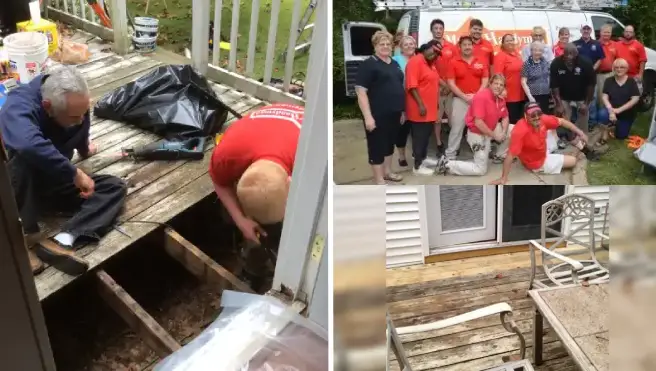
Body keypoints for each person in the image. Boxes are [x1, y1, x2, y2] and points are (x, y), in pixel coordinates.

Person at [0, 66, 127, 276]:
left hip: (55, 182)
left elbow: (81, 122)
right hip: (20, 190)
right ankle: (24, 237)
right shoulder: (18, 105)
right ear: (47, 106)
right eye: (73, 117)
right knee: (23, 159)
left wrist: (84, 148)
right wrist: (74, 174)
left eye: (83, 113)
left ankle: (63, 238)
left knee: (113, 187)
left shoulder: (73, 104)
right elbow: (27, 143)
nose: (80, 120)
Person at [209, 103, 303, 288]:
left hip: (291, 135)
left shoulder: (311, 156)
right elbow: (220, 182)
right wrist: (241, 220)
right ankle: (254, 268)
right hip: (258, 138)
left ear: (293, 184)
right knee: (250, 229)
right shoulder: (227, 155)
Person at [491, 102, 588, 185]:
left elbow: (562, 121)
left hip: (541, 145)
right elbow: (510, 156)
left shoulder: (542, 119)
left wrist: (581, 133)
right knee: (573, 161)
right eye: (532, 115)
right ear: (525, 116)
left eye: (539, 114)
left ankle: (581, 148)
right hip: (537, 162)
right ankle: (571, 153)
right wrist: (503, 178)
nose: (537, 117)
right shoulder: (520, 131)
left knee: (561, 128)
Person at [354, 30, 405, 184]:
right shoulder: (368, 65)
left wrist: (402, 111)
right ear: (375, 46)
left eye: (388, 44)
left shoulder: (394, 63)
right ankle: (379, 179)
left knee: (389, 144)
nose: (385, 46)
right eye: (381, 44)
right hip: (377, 114)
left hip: (395, 113)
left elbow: (399, 87)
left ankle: (388, 172)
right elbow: (361, 91)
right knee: (377, 146)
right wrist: (368, 117)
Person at [436, 74, 510, 176]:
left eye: (501, 85)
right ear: (490, 84)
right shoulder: (482, 97)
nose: (498, 86)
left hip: (488, 133)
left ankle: (499, 155)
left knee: (512, 129)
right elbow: (478, 123)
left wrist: (503, 132)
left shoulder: (500, 98)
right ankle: (447, 164)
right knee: (480, 170)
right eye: (496, 83)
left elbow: (505, 116)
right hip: (477, 134)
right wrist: (495, 136)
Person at [445, 36, 490, 160]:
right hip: (460, 100)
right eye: (464, 44)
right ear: (459, 47)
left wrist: (477, 96)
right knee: (457, 128)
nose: (467, 47)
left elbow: (485, 80)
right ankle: (450, 155)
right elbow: (451, 83)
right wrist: (465, 97)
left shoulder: (481, 60)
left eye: (469, 44)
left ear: (473, 46)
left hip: (478, 101)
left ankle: (482, 152)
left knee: (481, 127)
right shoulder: (453, 62)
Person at [405, 41, 441, 175]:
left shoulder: (430, 64)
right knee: (419, 136)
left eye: (436, 53)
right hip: (420, 108)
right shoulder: (415, 62)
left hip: (429, 108)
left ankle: (423, 158)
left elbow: (433, 81)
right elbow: (412, 86)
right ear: (424, 49)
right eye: (432, 52)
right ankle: (417, 166)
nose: (434, 55)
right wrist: (420, 104)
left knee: (426, 136)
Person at [550, 43, 596, 142]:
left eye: (572, 55)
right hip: (564, 96)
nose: (569, 57)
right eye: (567, 55)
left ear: (577, 54)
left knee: (583, 116)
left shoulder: (586, 63)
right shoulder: (556, 63)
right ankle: (566, 138)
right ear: (563, 53)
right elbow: (554, 85)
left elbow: (591, 85)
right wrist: (558, 104)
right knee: (562, 116)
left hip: (582, 96)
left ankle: (583, 138)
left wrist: (586, 104)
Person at [430, 18, 455, 154]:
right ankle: (439, 142)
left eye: (440, 28)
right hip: (436, 87)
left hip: (450, 87)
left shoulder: (451, 47)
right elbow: (430, 68)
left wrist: (449, 85)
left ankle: (453, 143)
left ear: (443, 30)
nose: (438, 31)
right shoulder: (429, 47)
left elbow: (455, 66)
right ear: (432, 30)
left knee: (452, 118)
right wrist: (442, 84)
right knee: (437, 118)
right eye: (436, 28)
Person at [601, 58, 641, 141]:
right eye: (616, 67)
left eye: (622, 67)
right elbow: (604, 97)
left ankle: (614, 126)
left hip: (627, 113)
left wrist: (618, 110)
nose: (619, 69)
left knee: (621, 136)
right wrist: (610, 110)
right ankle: (606, 127)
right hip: (611, 110)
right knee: (602, 114)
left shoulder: (631, 81)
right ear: (613, 69)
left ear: (627, 69)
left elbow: (635, 99)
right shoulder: (608, 80)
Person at [393, 35, 416, 167]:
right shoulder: (395, 60)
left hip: (417, 99)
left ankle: (416, 152)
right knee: (402, 129)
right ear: (401, 48)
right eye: (406, 44)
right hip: (402, 98)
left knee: (417, 129)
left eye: (411, 43)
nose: (409, 46)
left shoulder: (420, 59)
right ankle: (401, 156)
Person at [494, 34, 526, 124]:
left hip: (521, 94)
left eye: (511, 40)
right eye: (507, 41)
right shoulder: (500, 56)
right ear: (503, 43)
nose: (510, 42)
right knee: (510, 122)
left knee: (520, 121)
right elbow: (498, 76)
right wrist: (502, 90)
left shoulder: (517, 55)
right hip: (509, 97)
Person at [521, 41, 552, 114]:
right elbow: (523, 82)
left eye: (540, 50)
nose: (538, 52)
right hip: (533, 96)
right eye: (535, 50)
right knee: (534, 115)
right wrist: (530, 97)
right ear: (531, 51)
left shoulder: (544, 61)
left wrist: (550, 89)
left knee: (545, 115)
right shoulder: (527, 63)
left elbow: (547, 76)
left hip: (545, 94)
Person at [597, 24, 618, 108]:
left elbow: (618, 58)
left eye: (608, 32)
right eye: (604, 32)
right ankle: (601, 116)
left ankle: (610, 114)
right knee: (600, 97)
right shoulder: (595, 44)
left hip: (612, 74)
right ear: (600, 33)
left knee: (612, 95)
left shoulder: (615, 45)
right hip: (599, 75)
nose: (606, 34)